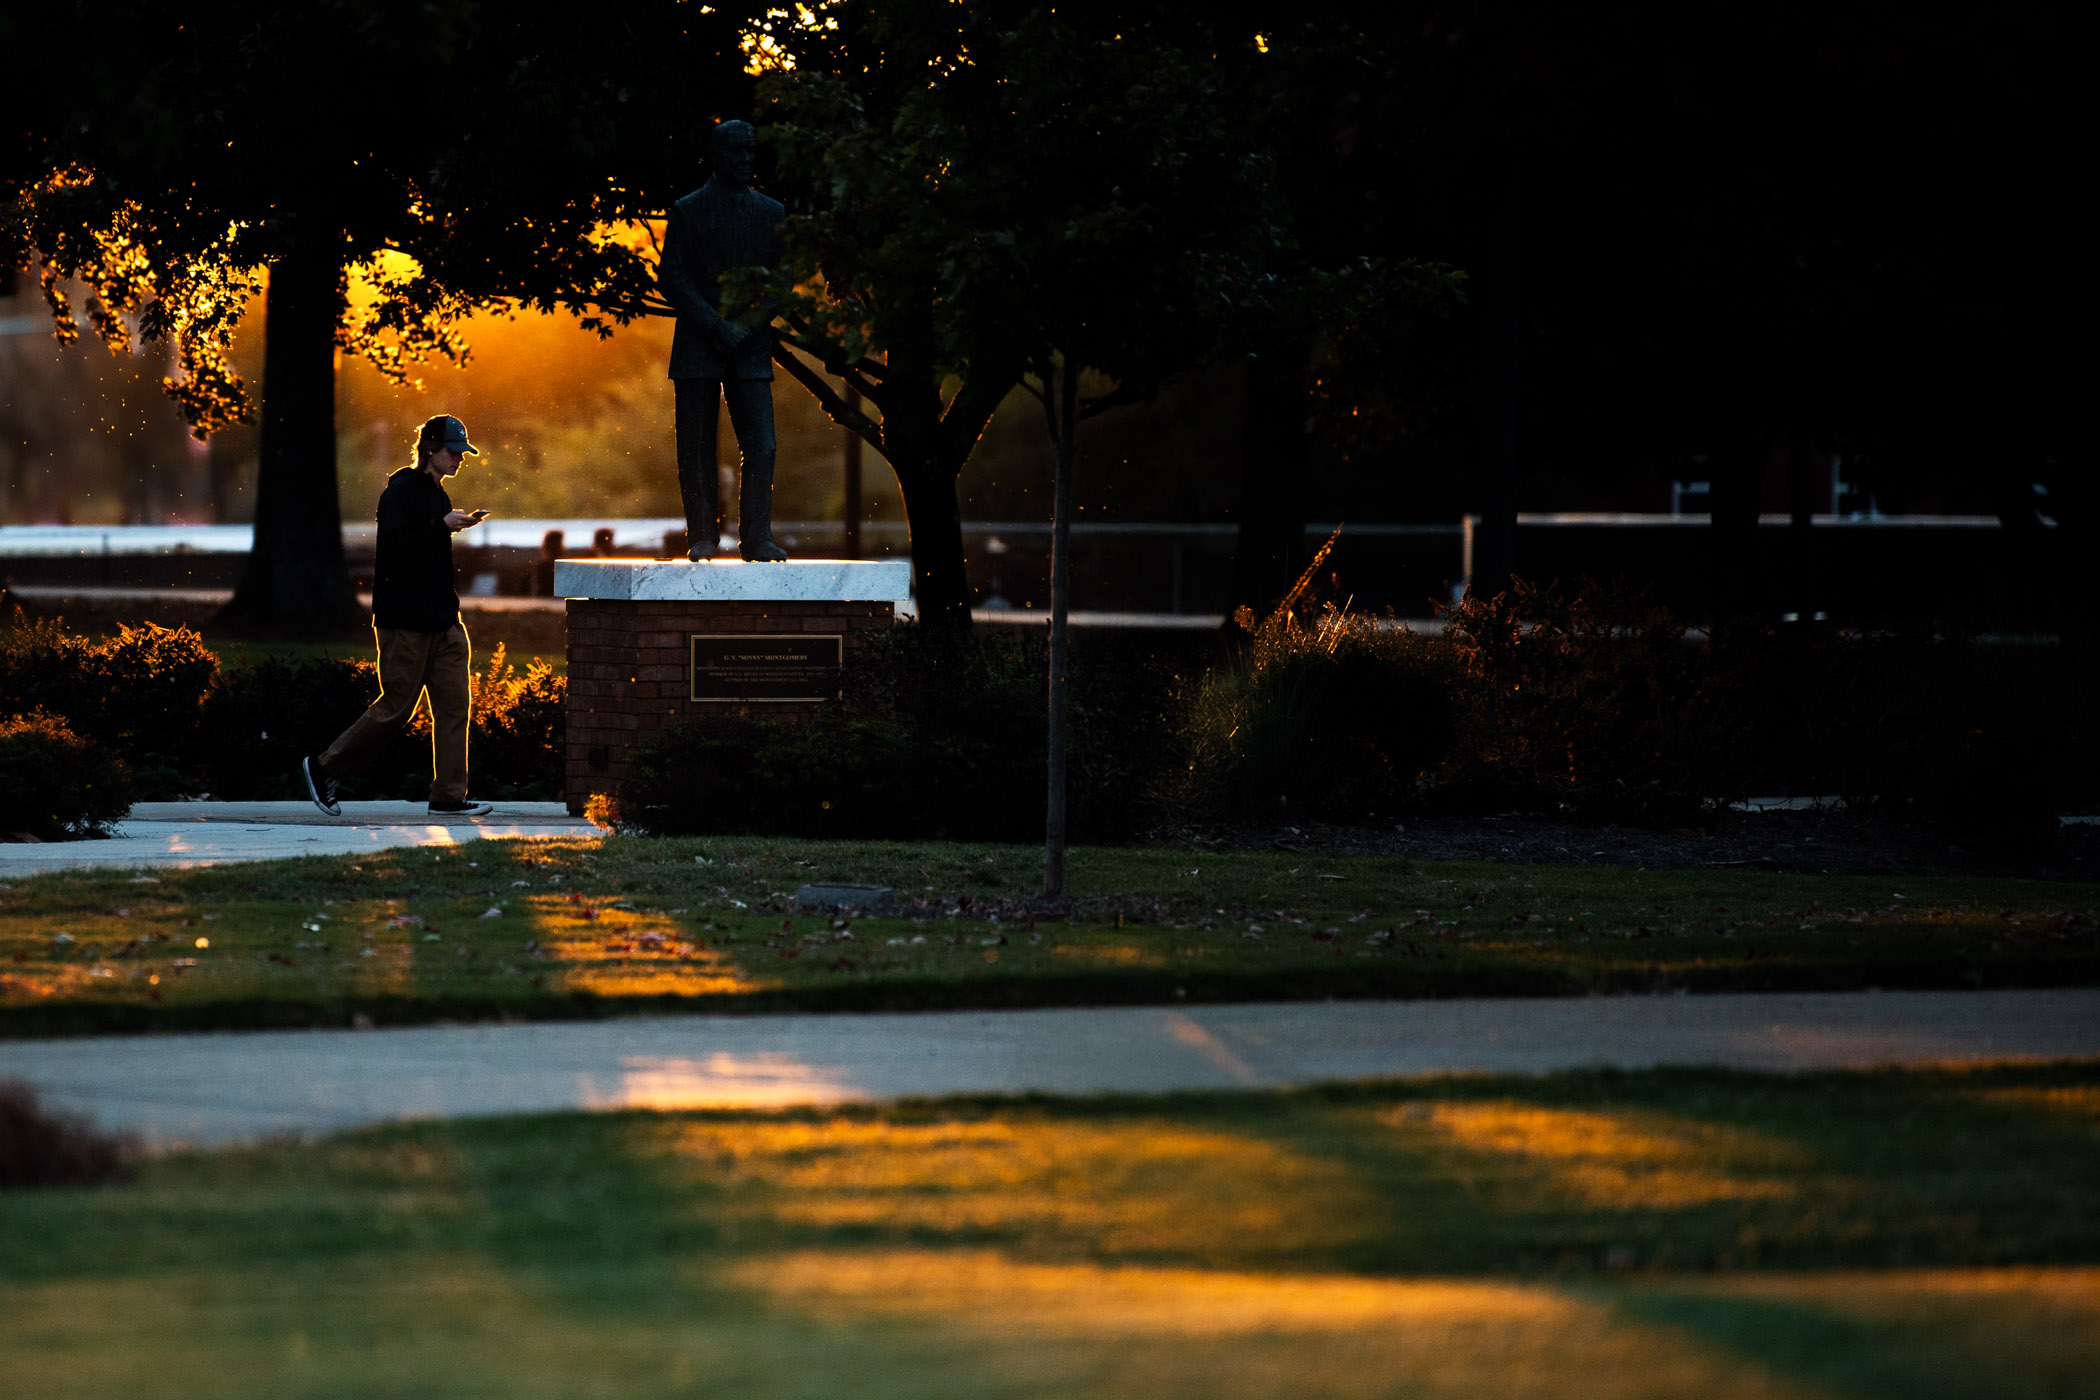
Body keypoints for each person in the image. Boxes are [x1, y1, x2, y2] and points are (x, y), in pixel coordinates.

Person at [301, 415, 494, 818]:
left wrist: (447, 525)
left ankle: (448, 796)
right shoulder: (399, 493)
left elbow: (428, 546)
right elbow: (396, 547)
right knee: (396, 708)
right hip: (404, 621)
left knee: (455, 707)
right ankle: (323, 768)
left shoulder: (439, 496)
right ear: (429, 449)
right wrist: (440, 526)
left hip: (444, 621)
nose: (458, 459)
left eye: (462, 453)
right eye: (451, 451)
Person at [660, 118, 789, 562]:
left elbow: (780, 281)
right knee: (697, 447)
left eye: (751, 151)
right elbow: (672, 277)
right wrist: (716, 326)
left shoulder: (772, 213)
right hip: (699, 343)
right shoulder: (688, 209)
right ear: (717, 155)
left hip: (750, 348)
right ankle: (702, 535)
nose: (746, 159)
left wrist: (747, 326)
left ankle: (756, 537)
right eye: (737, 151)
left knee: (763, 445)